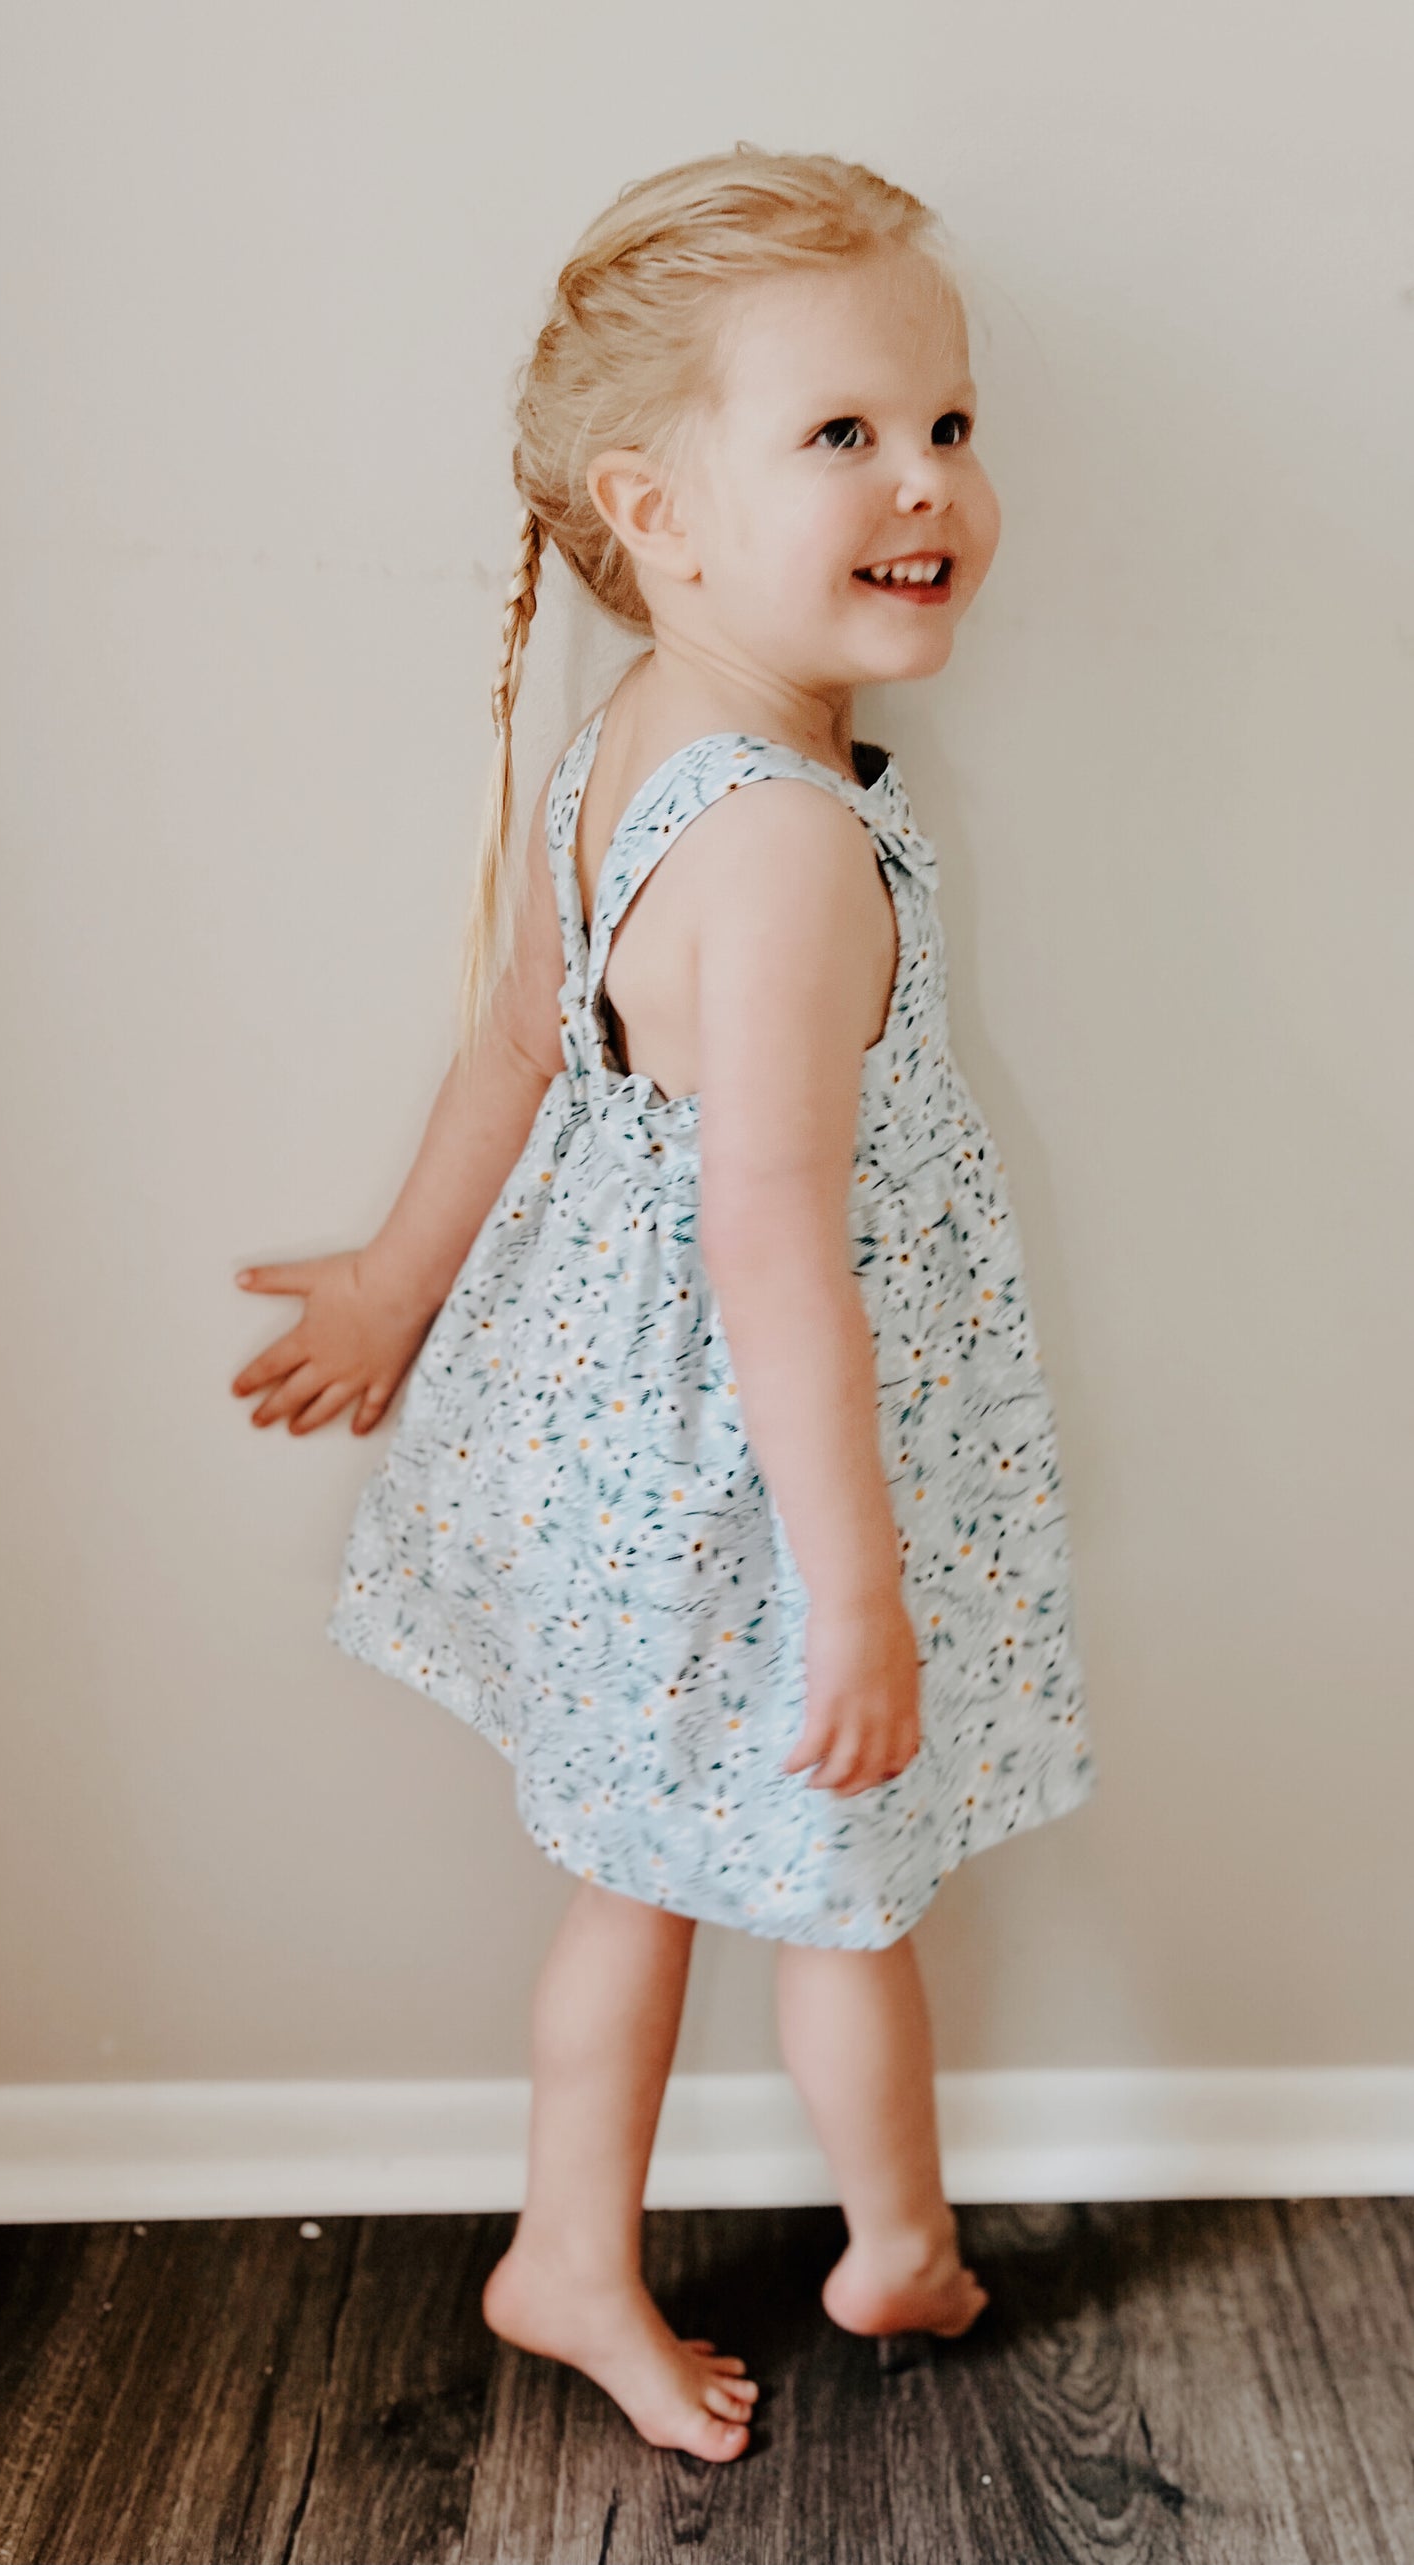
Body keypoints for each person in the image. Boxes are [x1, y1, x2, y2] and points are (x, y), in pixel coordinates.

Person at [229, 144, 1098, 2464]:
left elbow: (521, 1037)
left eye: (951, 421)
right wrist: (864, 1593)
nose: (929, 483)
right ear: (661, 505)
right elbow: (774, 1238)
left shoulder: (639, 737)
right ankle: (846, 2238)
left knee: (646, 1881)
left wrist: (397, 1283)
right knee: (840, 1880)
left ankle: (612, 2245)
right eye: (844, 435)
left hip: (620, 1463)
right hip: (752, 1494)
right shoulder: (790, 843)